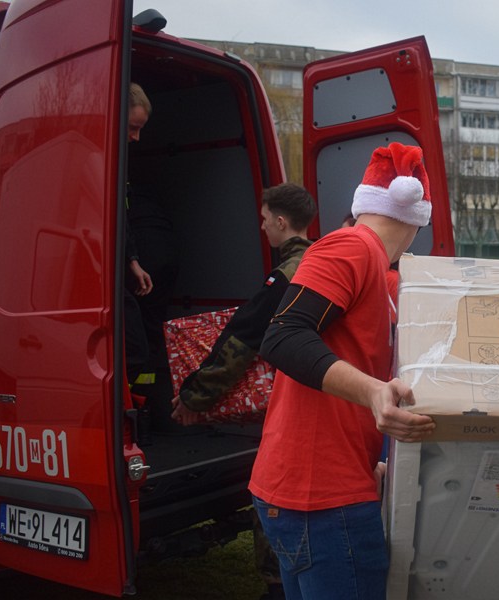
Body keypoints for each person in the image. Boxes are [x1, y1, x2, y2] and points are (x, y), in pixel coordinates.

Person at [251, 142, 436, 600]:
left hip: (321, 489)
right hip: (322, 497)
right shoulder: (352, 245)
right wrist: (373, 392)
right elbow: (283, 337)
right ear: (418, 217)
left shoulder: (372, 260)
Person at [168, 182, 316, 600]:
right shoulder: (320, 262)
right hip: (321, 399)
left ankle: (277, 586)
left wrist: (193, 397)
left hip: (292, 408)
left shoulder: (285, 275)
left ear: (281, 221)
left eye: (265, 219)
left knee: (274, 492)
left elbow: (241, 341)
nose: (262, 227)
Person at [123, 83, 153, 386]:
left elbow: (122, 219)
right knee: (135, 350)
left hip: (123, 264)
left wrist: (132, 260)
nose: (136, 137)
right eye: (133, 127)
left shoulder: (119, 164)